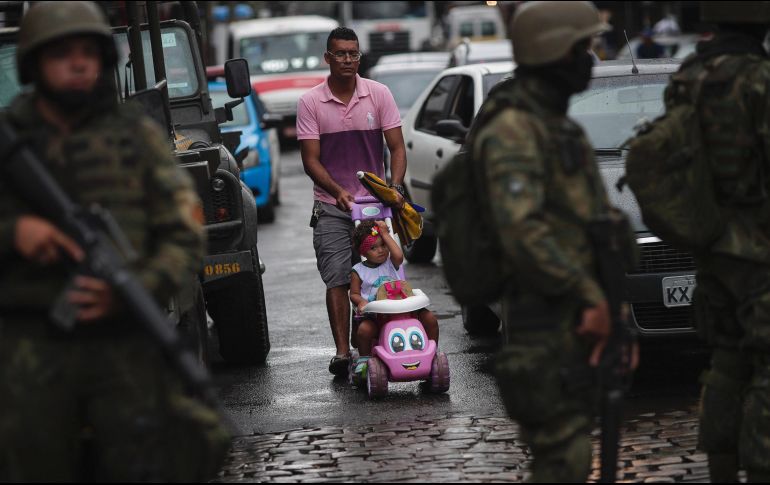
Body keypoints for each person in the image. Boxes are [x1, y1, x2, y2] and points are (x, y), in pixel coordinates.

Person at [0, 2, 229, 481]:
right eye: (62, 54)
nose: (78, 64)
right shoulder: (10, 138)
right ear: (34, 63)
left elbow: (182, 233)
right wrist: (15, 231)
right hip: (30, 343)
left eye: (88, 52)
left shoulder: (134, 136)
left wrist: (139, 286)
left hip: (122, 335)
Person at [476, 1, 637, 481]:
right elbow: (522, 232)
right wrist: (591, 298)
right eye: (583, 47)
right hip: (543, 325)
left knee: (577, 455)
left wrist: (618, 318)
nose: (591, 58)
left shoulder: (557, 126)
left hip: (580, 319)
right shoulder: (512, 129)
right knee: (563, 460)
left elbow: (595, 228)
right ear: (554, 51)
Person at [652, 3, 770, 481]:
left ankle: (721, 465)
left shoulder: (688, 76)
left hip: (712, 246)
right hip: (759, 245)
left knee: (727, 361)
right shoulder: (759, 78)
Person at [296, 27, 407, 377]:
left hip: (374, 209)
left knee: (382, 273)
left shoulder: (379, 94)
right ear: (327, 58)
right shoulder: (310, 102)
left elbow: (397, 147)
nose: (347, 59)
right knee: (338, 279)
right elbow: (310, 160)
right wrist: (337, 192)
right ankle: (342, 353)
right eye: (340, 53)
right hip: (331, 206)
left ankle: (380, 342)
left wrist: (394, 187)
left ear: (359, 57)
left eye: (353, 53)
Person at [349, 220, 439, 379]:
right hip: (376, 316)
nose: (381, 250)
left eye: (383, 245)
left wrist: (385, 233)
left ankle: (432, 353)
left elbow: (398, 255)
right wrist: (361, 301)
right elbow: (354, 294)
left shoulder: (391, 263)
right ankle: (364, 359)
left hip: (404, 311)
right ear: (363, 252)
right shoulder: (358, 271)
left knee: (430, 318)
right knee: (364, 330)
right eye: (373, 248)